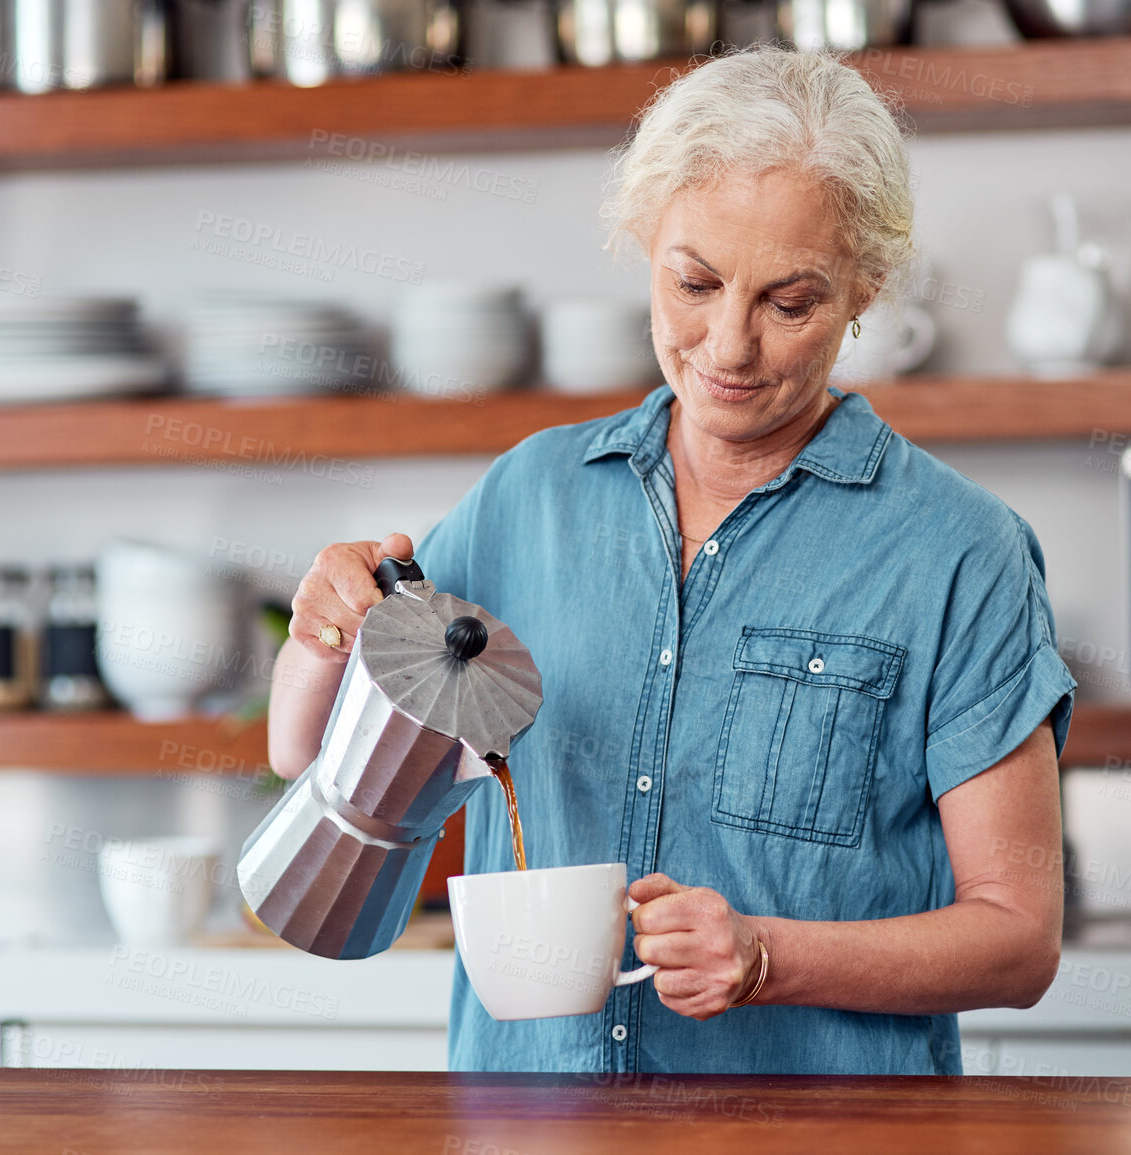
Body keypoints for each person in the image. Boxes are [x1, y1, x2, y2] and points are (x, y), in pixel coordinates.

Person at [267, 46, 1076, 1075]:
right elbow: (311, 756)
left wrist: (768, 957)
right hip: (532, 1130)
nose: (729, 346)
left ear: (867, 286)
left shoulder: (962, 553)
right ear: (646, 240)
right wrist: (319, 636)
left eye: (791, 303)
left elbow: (1018, 940)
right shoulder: (530, 498)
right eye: (693, 282)